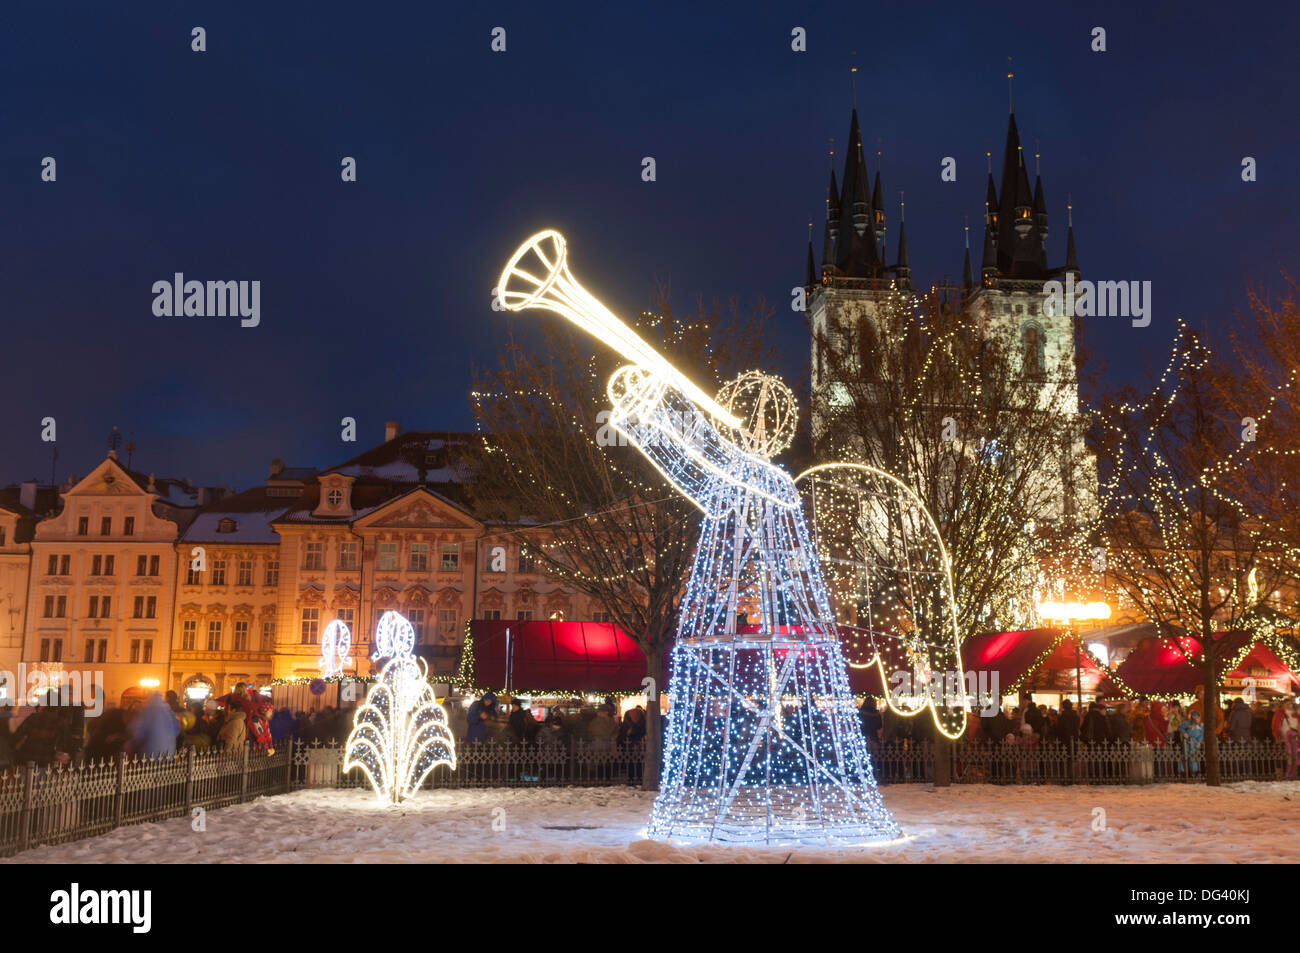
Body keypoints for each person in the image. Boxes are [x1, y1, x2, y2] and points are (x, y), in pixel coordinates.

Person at [130, 692, 180, 759]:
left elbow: (136, 732)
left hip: (150, 756)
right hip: (168, 755)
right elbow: (176, 730)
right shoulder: (169, 712)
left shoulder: (147, 711)